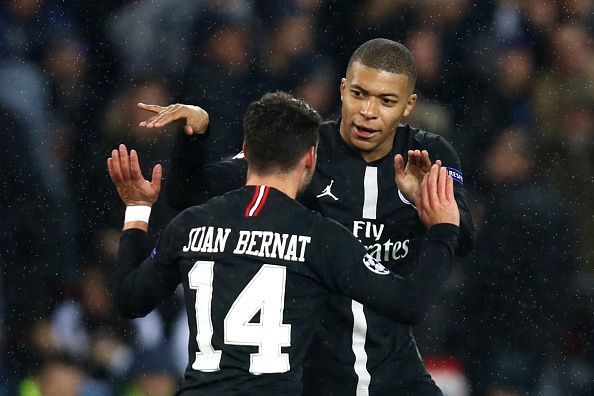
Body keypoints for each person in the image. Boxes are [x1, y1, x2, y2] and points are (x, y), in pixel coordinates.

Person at [139, 39, 474, 395]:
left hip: (395, 366)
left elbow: (462, 239)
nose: (368, 111)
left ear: (408, 106)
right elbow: (189, 195)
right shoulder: (304, 148)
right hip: (317, 370)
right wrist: (195, 138)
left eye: (386, 101)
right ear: (343, 90)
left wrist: (425, 204)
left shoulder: (430, 154)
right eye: (359, 94)